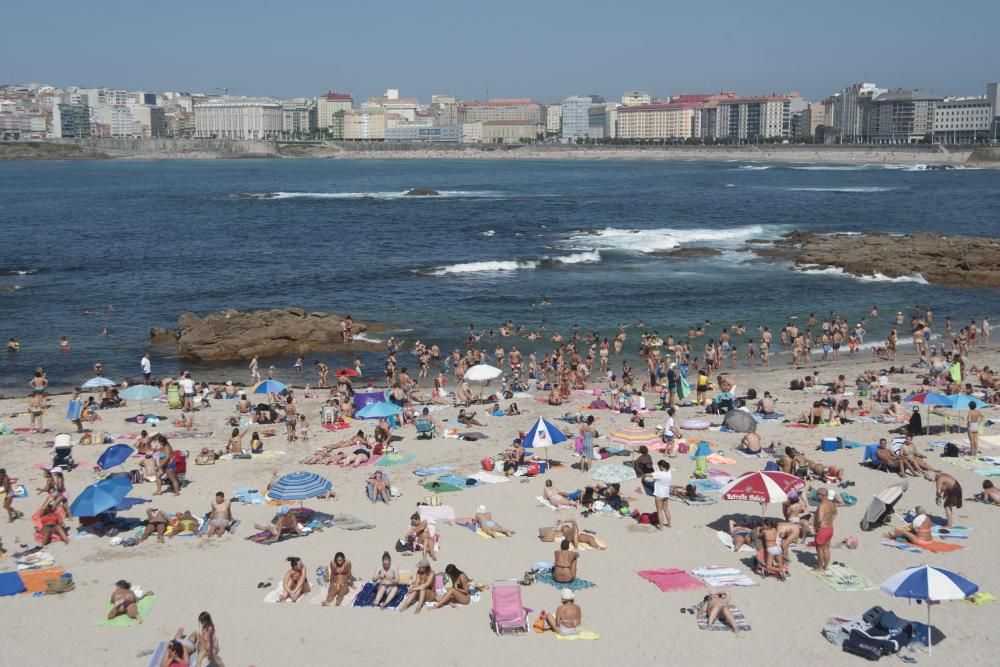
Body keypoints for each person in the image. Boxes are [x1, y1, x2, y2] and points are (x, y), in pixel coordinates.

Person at [813, 488, 837, 572]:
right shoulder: (831, 503)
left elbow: (819, 519)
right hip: (830, 528)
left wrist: (816, 527)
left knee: (819, 549)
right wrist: (829, 520)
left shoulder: (822, 505)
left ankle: (820, 567)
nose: (816, 496)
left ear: (822, 495)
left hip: (822, 529)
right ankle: (825, 567)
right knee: (826, 548)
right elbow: (835, 513)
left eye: (817, 494)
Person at [646, 460, 673, 529]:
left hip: (659, 494)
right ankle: (669, 524)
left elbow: (647, 475)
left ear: (661, 466)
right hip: (666, 494)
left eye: (659, 466)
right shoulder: (669, 473)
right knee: (666, 509)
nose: (659, 468)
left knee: (659, 510)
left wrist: (642, 476)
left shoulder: (659, 474)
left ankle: (661, 527)